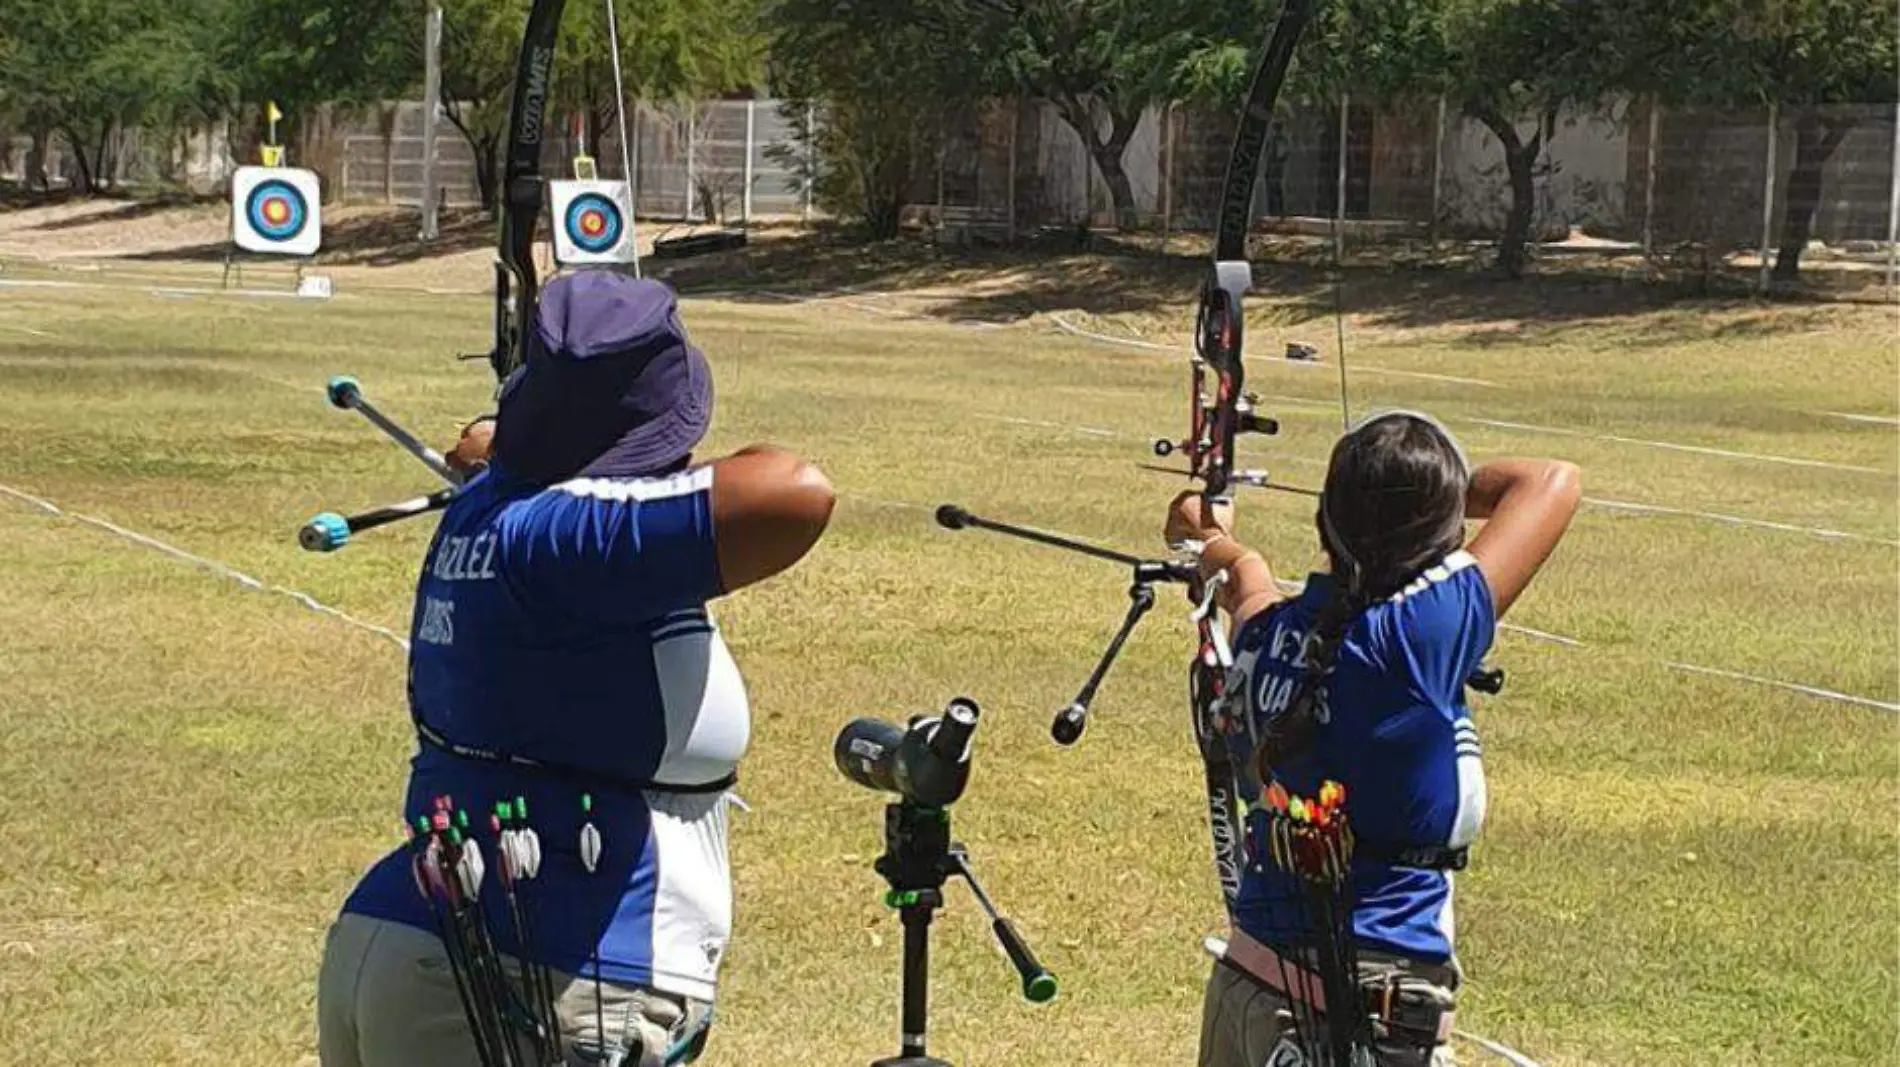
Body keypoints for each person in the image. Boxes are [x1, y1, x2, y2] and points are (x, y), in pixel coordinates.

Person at [317, 270, 836, 1067]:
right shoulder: (568, 539)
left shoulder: (503, 509)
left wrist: (525, 454)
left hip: (423, 945)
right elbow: (793, 488)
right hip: (534, 977)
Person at [1177, 412, 1580, 1067]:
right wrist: (1440, 493)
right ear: (1442, 535)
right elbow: (1551, 483)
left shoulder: (1268, 637)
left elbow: (1246, 584)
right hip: (1358, 1014)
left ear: (1324, 521)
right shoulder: (1413, 640)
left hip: (1245, 995)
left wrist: (1214, 538)